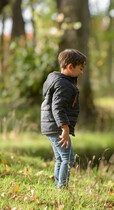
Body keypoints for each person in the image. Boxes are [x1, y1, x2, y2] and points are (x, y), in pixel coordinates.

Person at [41, 49, 87, 189]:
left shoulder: (58, 80)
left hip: (51, 125)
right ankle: (62, 187)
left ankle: (58, 186)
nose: (82, 72)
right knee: (68, 158)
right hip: (57, 126)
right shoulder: (64, 84)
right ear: (70, 67)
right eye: (80, 68)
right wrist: (64, 128)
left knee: (61, 158)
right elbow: (58, 108)